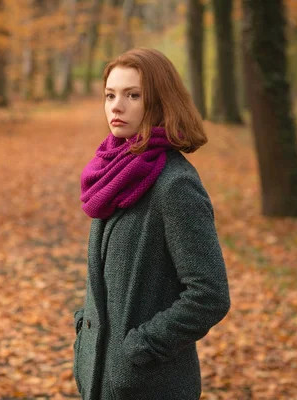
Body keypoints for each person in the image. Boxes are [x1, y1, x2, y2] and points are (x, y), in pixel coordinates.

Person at [72, 48, 231, 400]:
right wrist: (86, 329)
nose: (117, 106)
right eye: (110, 95)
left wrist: (140, 348)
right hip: (100, 379)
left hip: (147, 385)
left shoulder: (174, 185)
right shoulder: (113, 173)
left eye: (133, 95)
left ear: (159, 103)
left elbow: (209, 295)